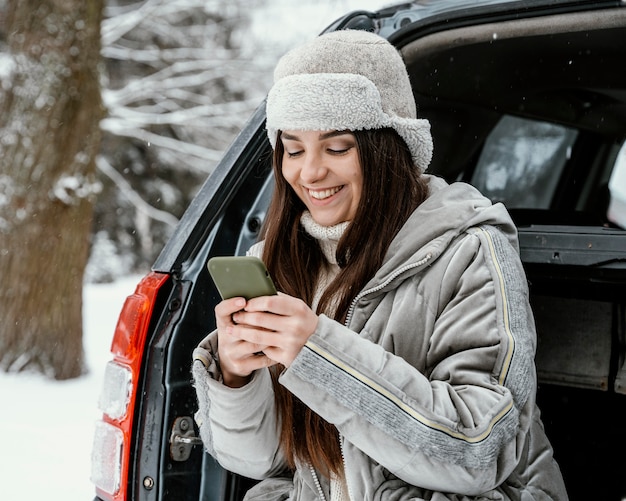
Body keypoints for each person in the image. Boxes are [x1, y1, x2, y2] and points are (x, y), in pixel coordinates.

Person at [192, 30, 568, 500]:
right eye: (293, 148)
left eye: (336, 147)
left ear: (387, 147)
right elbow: (262, 460)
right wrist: (235, 376)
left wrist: (318, 354)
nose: (309, 173)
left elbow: (480, 451)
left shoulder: (469, 251)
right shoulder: (280, 263)